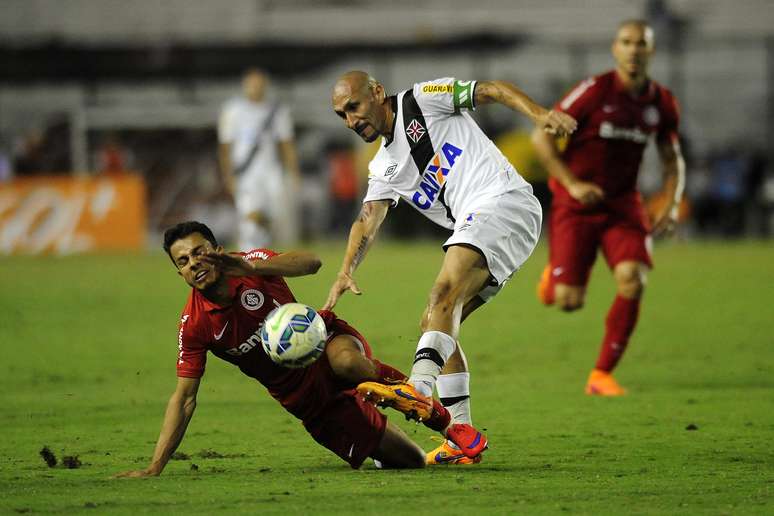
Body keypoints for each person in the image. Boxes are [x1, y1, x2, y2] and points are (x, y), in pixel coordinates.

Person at [323, 71, 577, 464]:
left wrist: (539, 114)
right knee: (436, 323)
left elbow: (491, 90)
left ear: (376, 92)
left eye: (354, 107)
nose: (351, 121)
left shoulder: (423, 100)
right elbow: (367, 219)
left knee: (441, 295)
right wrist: (345, 270)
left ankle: (419, 389)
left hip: (502, 201)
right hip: (489, 222)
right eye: (342, 115)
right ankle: (461, 441)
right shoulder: (383, 167)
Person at [115, 221, 483, 476]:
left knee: (348, 363)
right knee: (413, 462)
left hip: (323, 341)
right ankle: (382, 445)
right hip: (309, 401)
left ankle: (440, 417)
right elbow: (184, 398)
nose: (194, 263)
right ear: (179, 272)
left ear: (216, 250)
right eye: (183, 261)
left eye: (199, 252)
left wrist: (248, 265)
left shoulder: (250, 264)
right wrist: (155, 466)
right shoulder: (195, 325)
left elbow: (311, 263)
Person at [532, 20, 686, 395]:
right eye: (627, 42)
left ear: (651, 51)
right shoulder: (594, 91)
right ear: (615, 49)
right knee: (568, 301)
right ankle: (554, 278)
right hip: (576, 203)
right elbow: (541, 137)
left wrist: (673, 202)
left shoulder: (661, 102)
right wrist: (572, 184)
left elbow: (672, 158)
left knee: (634, 279)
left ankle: (601, 375)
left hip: (623, 205)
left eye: (641, 44)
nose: (634, 50)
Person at [218, 69, 301, 249]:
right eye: (252, 84)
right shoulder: (233, 110)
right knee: (250, 214)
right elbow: (225, 146)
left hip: (271, 172)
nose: (255, 87)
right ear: (245, 86)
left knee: (272, 215)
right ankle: (248, 253)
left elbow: (286, 144)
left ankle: (260, 252)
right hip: (246, 173)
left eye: (259, 83)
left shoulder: (277, 110)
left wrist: (293, 172)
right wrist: (228, 174)